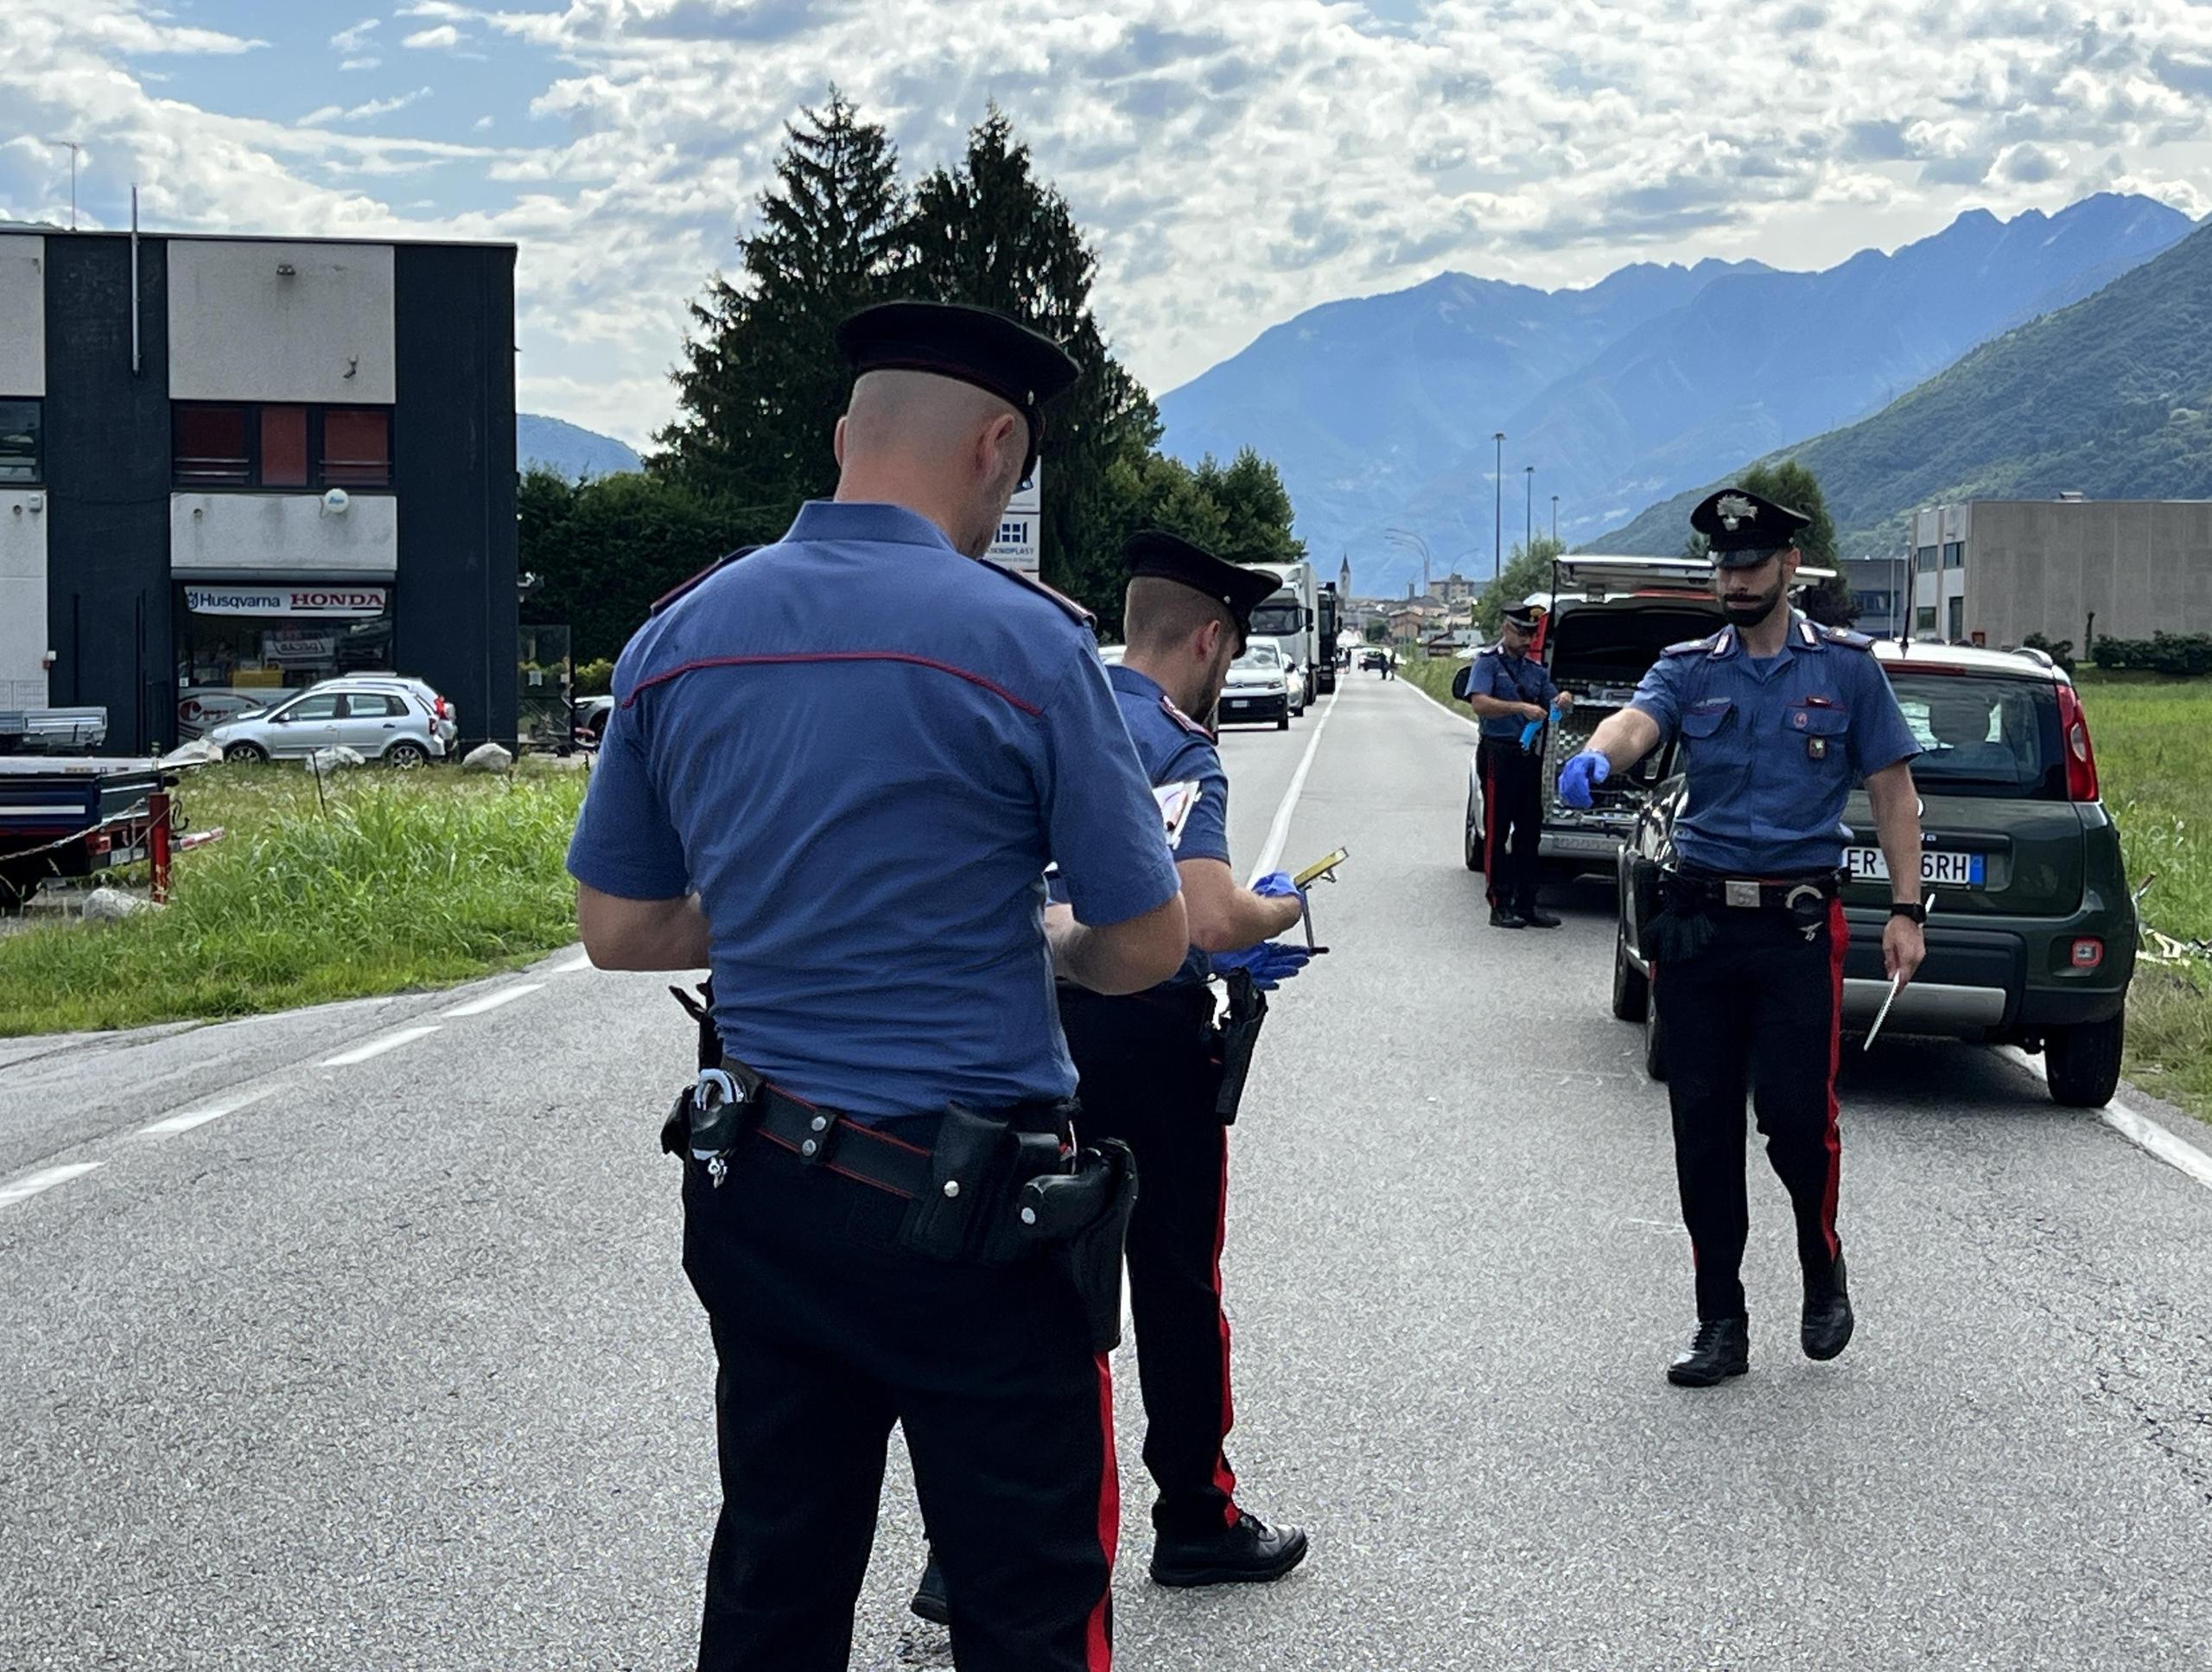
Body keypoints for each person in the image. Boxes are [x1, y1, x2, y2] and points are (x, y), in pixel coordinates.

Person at [567, 298, 1193, 1672]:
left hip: (767, 1193)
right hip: (973, 1220)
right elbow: (1144, 942)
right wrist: (1042, 938)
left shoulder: (679, 635)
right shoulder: (1029, 647)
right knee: (1026, 1599)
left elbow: (616, 925)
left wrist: (790, 915)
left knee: (777, 1573)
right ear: (997, 449)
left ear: (848, 435)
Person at [910, 531, 1313, 1627]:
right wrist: (1282, 907)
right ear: (1211, 638)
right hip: (1139, 1037)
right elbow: (1209, 914)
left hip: (1008, 1031)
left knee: (1014, 1284)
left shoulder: (1036, 703)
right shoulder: (1178, 744)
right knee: (1175, 1280)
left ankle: (963, 1546)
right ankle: (1194, 1518)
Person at [1557, 486, 1927, 1387]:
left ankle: (1819, 1267)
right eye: (1722, 567)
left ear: (1787, 568)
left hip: (1797, 928)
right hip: (1701, 929)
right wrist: (1601, 755)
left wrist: (1909, 910)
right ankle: (1719, 1319)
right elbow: (1639, 720)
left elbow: (1890, 793)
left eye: (1749, 564)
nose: (1733, 579)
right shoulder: (1689, 668)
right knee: (1702, 1128)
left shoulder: (1844, 670)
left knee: (1798, 1123)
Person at [1464, 602, 1572, 929]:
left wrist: (1564, 700)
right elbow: (1479, 703)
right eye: (1521, 632)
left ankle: (1528, 903)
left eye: (1531, 634)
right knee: (1497, 830)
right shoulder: (1487, 664)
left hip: (1528, 755)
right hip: (1498, 753)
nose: (1526, 639)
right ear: (1506, 629)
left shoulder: (1536, 671)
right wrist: (1520, 708)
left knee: (1530, 831)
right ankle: (1500, 904)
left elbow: (1556, 703)